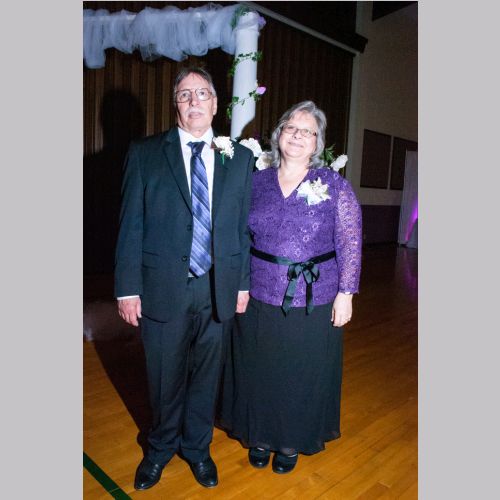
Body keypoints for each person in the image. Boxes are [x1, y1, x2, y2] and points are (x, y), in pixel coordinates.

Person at [114, 66, 254, 490]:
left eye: (202, 93)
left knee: (207, 376)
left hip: (217, 286)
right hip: (162, 285)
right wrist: (127, 288)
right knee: (163, 377)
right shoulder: (145, 153)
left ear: (216, 103)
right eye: (185, 94)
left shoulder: (239, 157)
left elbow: (241, 228)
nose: (194, 101)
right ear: (175, 104)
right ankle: (159, 449)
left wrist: (241, 283)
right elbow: (130, 225)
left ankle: (197, 449)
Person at [223, 101, 362, 474]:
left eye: (308, 131)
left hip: (312, 297)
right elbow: (239, 237)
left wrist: (346, 294)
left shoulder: (334, 185)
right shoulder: (256, 181)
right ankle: (259, 435)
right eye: (291, 128)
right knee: (258, 369)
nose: (298, 136)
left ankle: (289, 440)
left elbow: (350, 242)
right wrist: (237, 285)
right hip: (258, 292)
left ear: (318, 143)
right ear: (278, 134)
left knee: (299, 373)